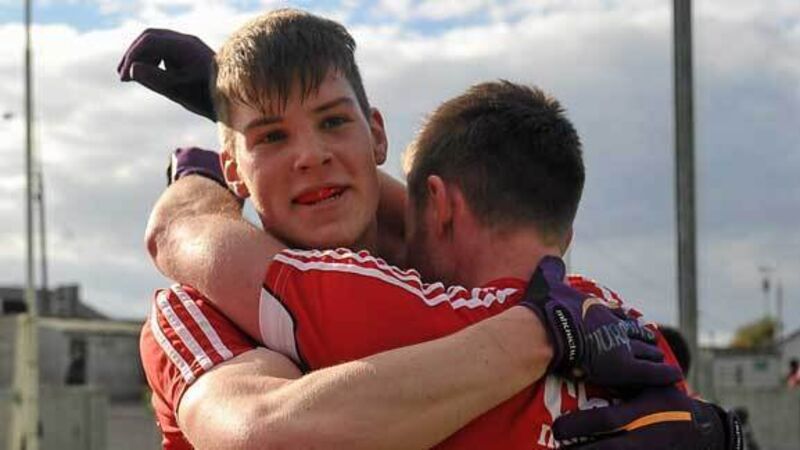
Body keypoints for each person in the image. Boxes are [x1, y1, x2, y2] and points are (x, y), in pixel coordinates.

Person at [120, 9, 739, 450]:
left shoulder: (458, 282)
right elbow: (262, 431)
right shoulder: (194, 308)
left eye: (333, 122)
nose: (310, 155)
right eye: (272, 137)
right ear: (235, 171)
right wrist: (546, 332)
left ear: (378, 136)